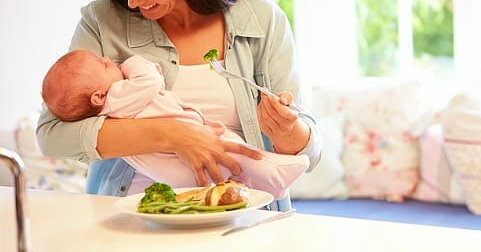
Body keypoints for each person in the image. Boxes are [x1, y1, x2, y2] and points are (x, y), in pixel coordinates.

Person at [36, 0, 321, 210]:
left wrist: (286, 129)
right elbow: (52, 135)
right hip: (130, 215)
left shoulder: (261, 19)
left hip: (242, 214)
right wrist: (170, 135)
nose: (132, 0)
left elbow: (310, 154)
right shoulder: (102, 21)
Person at [41, 50, 310, 199]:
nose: (110, 60)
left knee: (230, 172)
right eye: (103, 65)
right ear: (98, 97)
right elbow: (150, 80)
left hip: (168, 171)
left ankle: (268, 185)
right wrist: (134, 61)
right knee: (235, 150)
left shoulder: (107, 110)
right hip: (183, 151)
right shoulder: (118, 95)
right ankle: (275, 172)